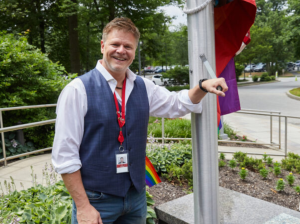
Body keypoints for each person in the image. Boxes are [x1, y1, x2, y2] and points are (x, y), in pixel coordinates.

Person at [52, 17, 228, 224]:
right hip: (96, 201)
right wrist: (82, 207)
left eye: (128, 46)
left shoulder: (144, 86)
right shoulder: (77, 90)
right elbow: (65, 155)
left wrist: (202, 86)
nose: (121, 50)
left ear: (134, 51)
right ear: (102, 46)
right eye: (115, 44)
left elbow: (176, 103)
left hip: (135, 198)